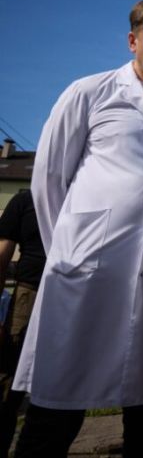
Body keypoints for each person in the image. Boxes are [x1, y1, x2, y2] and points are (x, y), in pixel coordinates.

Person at [13, 0, 143, 458]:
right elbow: (50, 181)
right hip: (85, 276)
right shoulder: (90, 93)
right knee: (57, 407)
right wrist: (71, 251)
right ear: (132, 40)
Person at [0, 190, 47, 454]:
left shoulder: (84, 195)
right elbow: (1, 257)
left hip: (70, 296)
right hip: (29, 295)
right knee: (9, 379)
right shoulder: (25, 201)